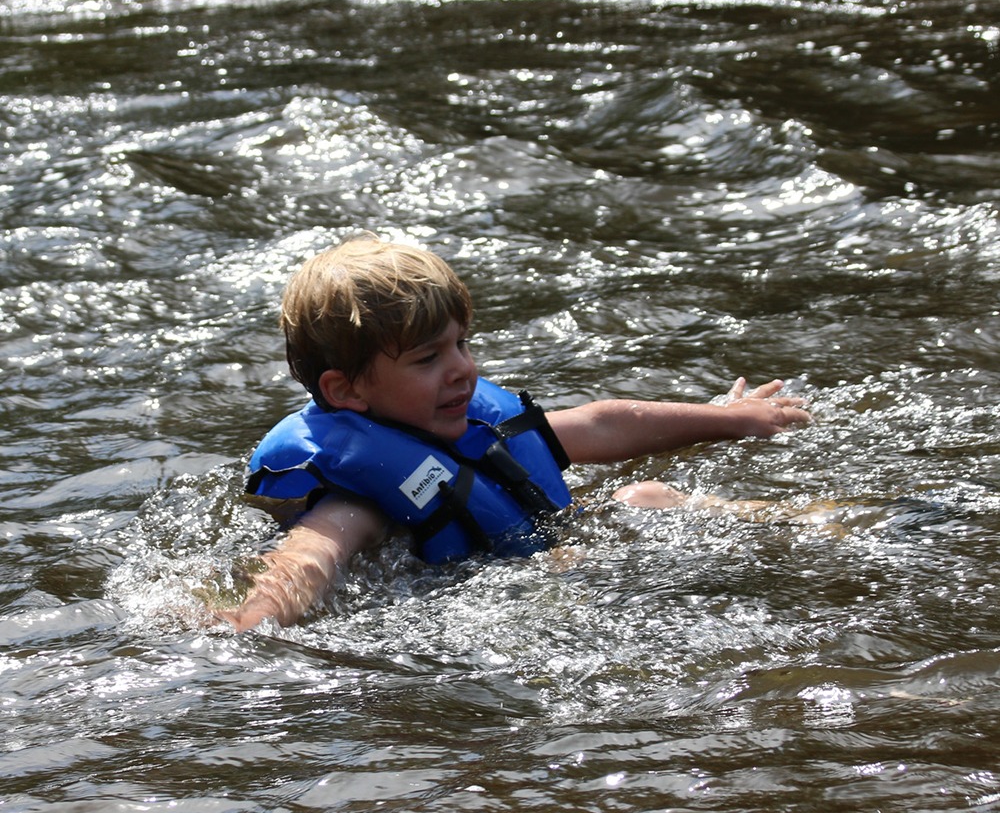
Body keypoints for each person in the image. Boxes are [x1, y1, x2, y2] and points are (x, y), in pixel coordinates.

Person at [212, 234, 810, 632]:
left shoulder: (475, 423)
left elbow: (604, 423)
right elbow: (309, 557)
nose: (463, 369)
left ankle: (807, 519)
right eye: (427, 359)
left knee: (643, 495)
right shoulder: (354, 494)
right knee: (618, 522)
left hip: (549, 560)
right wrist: (254, 619)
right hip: (507, 605)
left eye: (461, 345)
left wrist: (731, 420)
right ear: (347, 391)